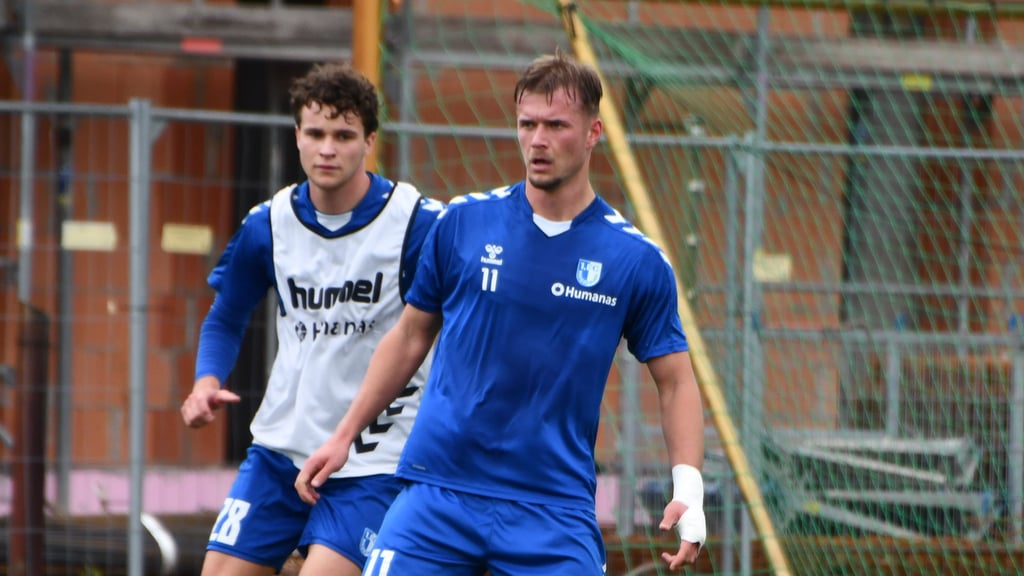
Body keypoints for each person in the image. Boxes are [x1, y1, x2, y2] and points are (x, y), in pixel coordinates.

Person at [296, 51, 707, 575]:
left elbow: (675, 382)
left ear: (593, 132)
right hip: (438, 492)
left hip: (553, 509)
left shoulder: (636, 260)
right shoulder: (462, 223)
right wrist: (342, 436)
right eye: (527, 124)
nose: (537, 140)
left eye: (556, 125)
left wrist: (688, 488)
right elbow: (410, 335)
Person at [180, 61, 443, 576]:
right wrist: (205, 382)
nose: (328, 148)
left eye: (344, 135)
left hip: (373, 460)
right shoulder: (268, 223)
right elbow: (226, 315)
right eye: (316, 133)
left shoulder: (416, 222)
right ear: (296, 136)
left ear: (369, 141)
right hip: (281, 450)